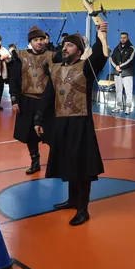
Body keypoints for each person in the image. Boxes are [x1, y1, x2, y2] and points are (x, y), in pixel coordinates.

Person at [34, 22, 108, 226]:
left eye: (70, 45)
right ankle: (72, 200)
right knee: (68, 162)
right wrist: (39, 118)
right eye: (64, 45)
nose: (65, 48)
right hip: (62, 123)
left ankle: (83, 209)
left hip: (80, 124)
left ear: (79, 51)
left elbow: (100, 55)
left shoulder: (86, 68)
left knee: (81, 166)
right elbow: (48, 95)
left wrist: (101, 35)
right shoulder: (56, 69)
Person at [9, 26, 59, 175]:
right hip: (27, 100)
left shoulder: (53, 56)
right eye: (36, 40)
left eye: (41, 39)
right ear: (30, 42)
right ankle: (35, 161)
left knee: (52, 133)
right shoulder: (20, 56)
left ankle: (55, 164)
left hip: (47, 101)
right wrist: (14, 100)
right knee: (30, 135)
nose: (39, 42)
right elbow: (14, 80)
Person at [111, 31, 135, 114]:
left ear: (128, 38)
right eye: (121, 38)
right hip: (117, 73)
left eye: (124, 38)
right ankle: (118, 106)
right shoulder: (116, 48)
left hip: (127, 73)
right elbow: (112, 58)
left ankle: (128, 107)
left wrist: (120, 66)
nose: (123, 39)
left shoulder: (132, 48)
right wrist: (116, 67)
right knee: (118, 91)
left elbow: (130, 60)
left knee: (128, 91)